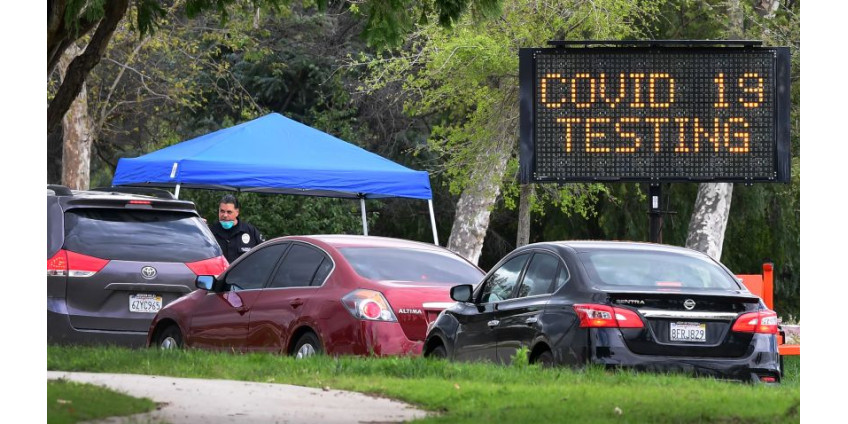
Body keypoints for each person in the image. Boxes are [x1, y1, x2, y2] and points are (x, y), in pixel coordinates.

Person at [210, 194, 265, 263]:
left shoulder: (250, 231)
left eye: (229, 212)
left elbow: (264, 254)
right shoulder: (210, 232)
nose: (225, 215)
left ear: (237, 212)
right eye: (222, 211)